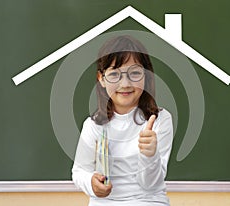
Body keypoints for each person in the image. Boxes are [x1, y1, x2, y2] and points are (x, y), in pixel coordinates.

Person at [72, 35, 173, 206]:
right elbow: (79, 171)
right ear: (101, 79)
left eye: (134, 73)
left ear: (146, 76)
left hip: (148, 201)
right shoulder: (94, 125)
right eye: (114, 74)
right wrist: (91, 183)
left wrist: (150, 155)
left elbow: (150, 184)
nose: (125, 84)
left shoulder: (159, 120)